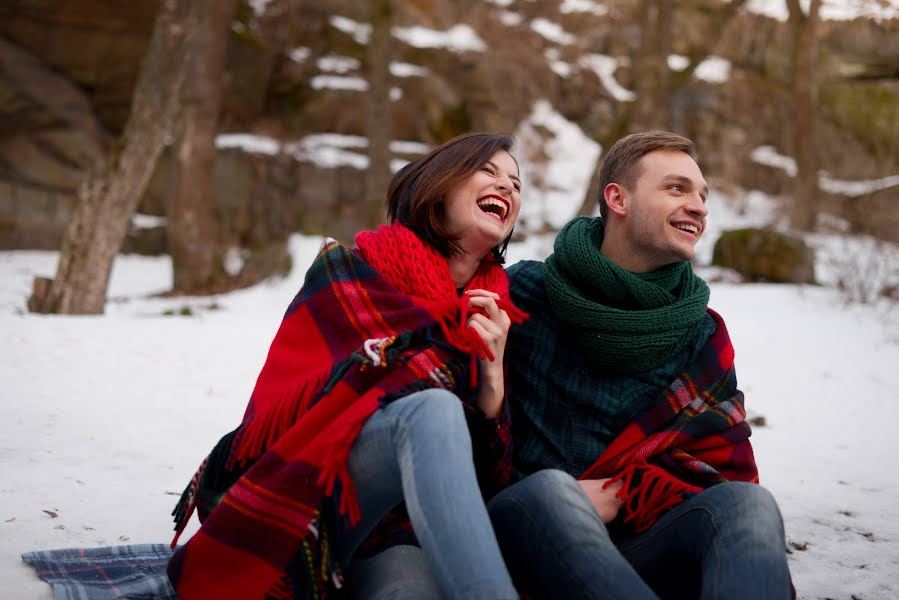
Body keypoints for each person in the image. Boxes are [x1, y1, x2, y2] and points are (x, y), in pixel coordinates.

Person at [166, 132, 528, 600]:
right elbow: (291, 408)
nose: (507, 188)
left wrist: (493, 378)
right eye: (490, 171)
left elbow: (487, 482)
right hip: (309, 496)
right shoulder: (351, 276)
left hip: (401, 531)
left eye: (517, 184)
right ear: (440, 185)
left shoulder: (495, 312)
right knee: (432, 408)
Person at [491, 130, 793, 599]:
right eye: (676, 188)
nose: (698, 205)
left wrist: (622, 494)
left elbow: (719, 466)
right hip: (525, 533)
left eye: (702, 195)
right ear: (618, 198)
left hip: (637, 542)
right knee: (553, 491)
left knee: (746, 506)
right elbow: (463, 416)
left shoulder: (701, 333)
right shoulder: (525, 294)